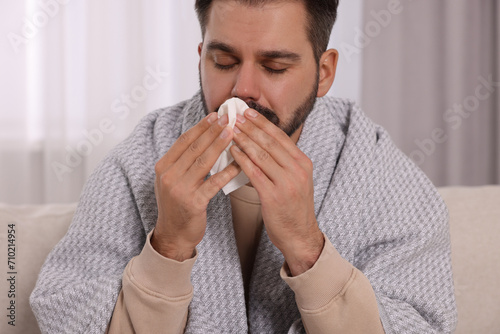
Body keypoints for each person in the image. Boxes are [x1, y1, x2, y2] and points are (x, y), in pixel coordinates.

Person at [30, 0, 457, 333]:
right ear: (201, 56)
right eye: (224, 62)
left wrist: (308, 248)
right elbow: (68, 316)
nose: (242, 90)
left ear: (324, 73)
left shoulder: (385, 177)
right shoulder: (139, 162)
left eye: (274, 66)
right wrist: (169, 246)